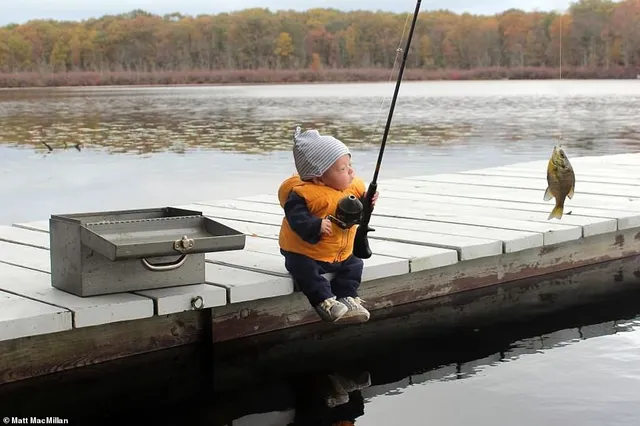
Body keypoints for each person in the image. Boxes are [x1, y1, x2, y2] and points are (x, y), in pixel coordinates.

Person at [278, 126, 378, 324]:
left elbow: (358, 215)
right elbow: (296, 219)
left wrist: (367, 203)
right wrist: (316, 225)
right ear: (318, 178)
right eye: (342, 169)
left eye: (349, 165)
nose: (351, 171)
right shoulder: (301, 194)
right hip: (306, 253)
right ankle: (324, 302)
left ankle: (348, 297)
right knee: (304, 270)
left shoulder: (351, 187)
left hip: (339, 253)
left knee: (355, 264)